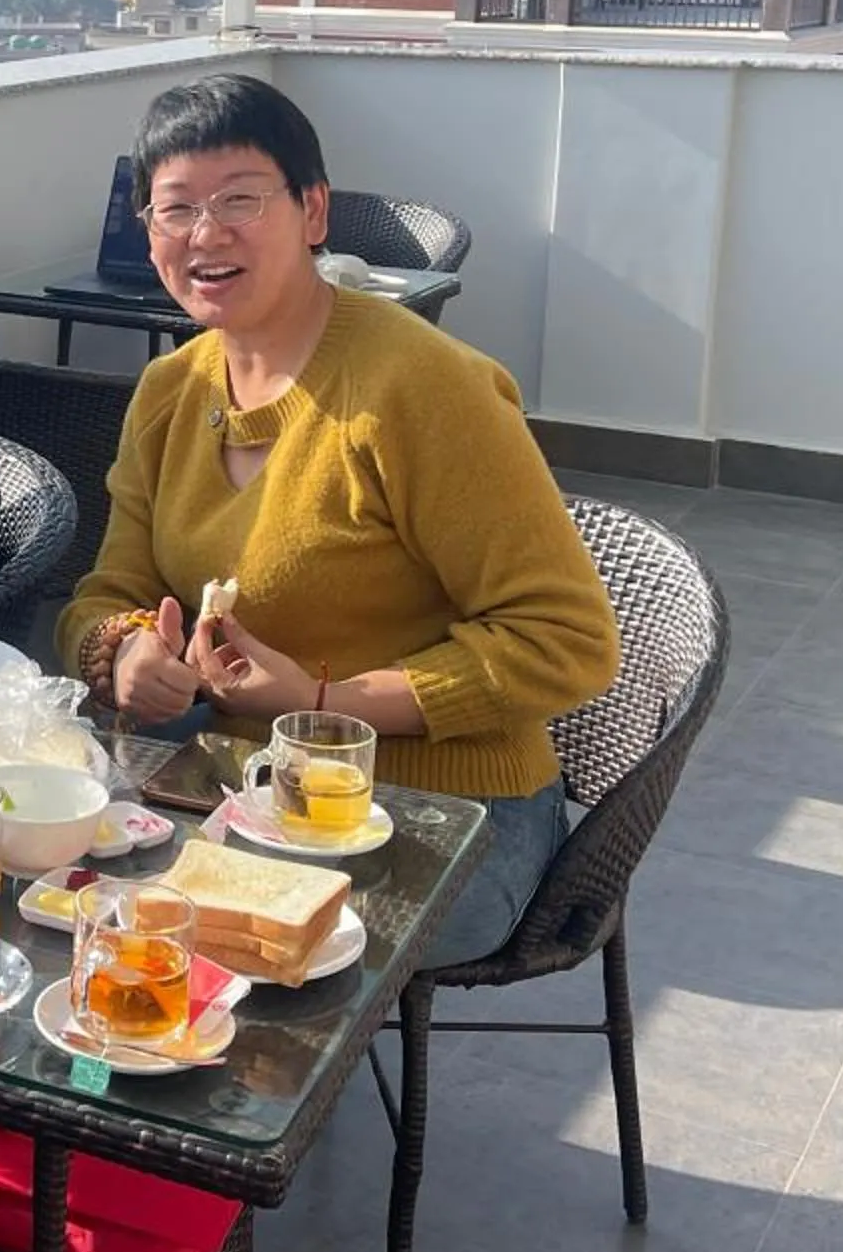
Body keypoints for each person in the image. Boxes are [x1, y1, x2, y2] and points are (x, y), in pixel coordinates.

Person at [58, 76, 619, 965]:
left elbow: (568, 641)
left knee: (179, 941)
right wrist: (126, 653)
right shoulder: (171, 391)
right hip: (244, 785)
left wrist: (321, 704)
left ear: (312, 209)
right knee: (59, 894)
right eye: (177, 210)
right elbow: (108, 593)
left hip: (445, 812)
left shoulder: (419, 387)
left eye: (241, 200)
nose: (207, 234)